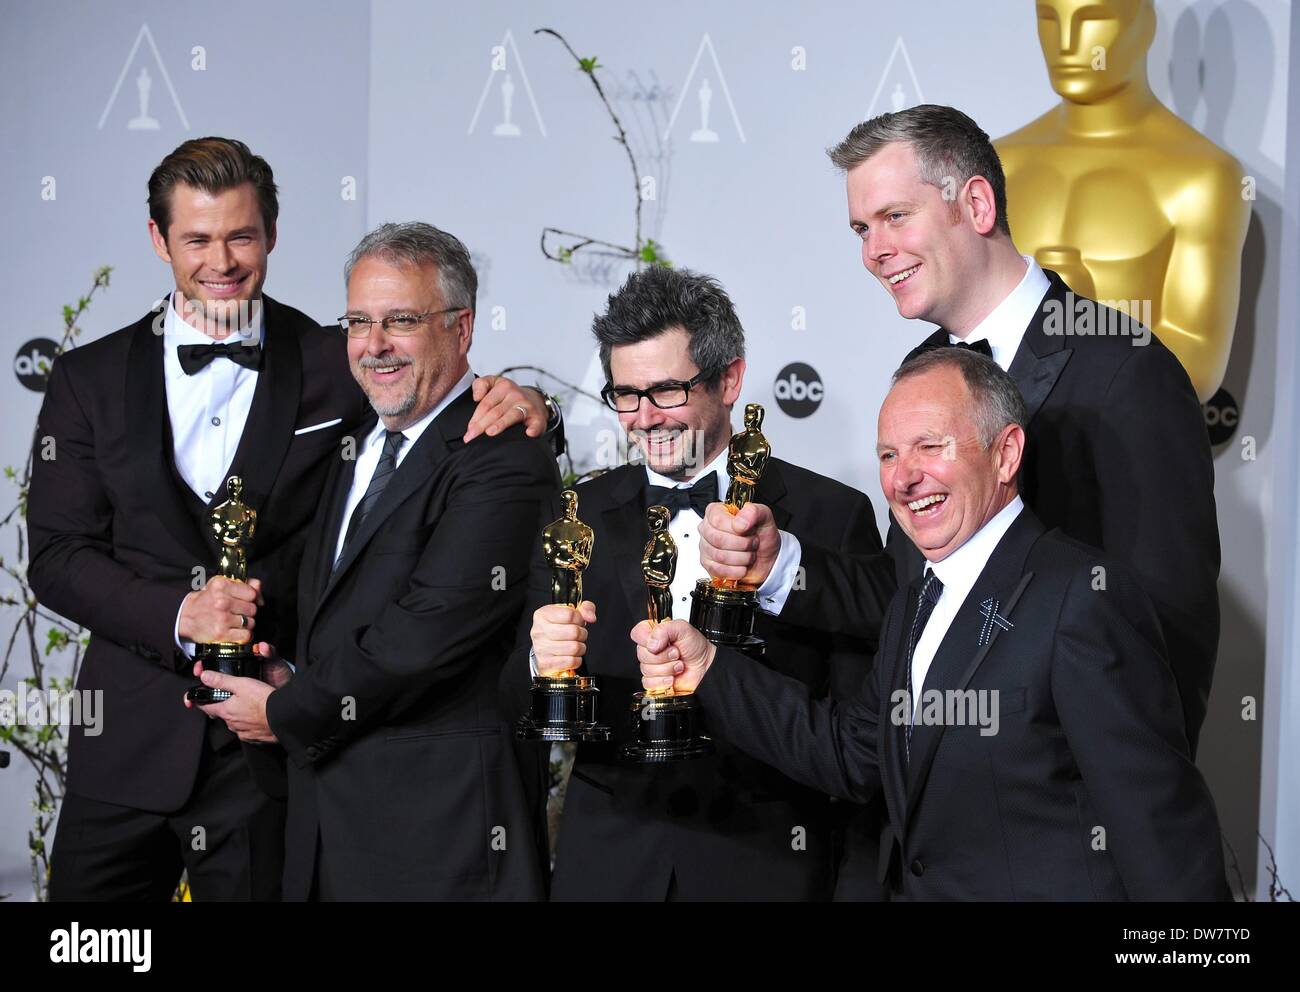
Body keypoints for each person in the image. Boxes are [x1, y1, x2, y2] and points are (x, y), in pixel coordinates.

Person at [28, 137, 554, 902]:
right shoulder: (87, 379)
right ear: (158, 241)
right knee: (89, 952)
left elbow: (437, 408)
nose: (222, 261)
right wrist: (180, 612)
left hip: (276, 760)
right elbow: (57, 557)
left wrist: (535, 412)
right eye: (197, 239)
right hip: (130, 742)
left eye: (241, 235)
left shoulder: (336, 360)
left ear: (271, 234)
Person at [702, 105, 1219, 756]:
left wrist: (1112, 833)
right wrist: (781, 567)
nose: (873, 252)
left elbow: (1172, 632)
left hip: (1059, 832)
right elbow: (908, 592)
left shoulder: (1124, 371)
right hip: (933, 827)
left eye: (895, 217)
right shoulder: (923, 373)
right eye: (861, 228)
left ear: (976, 204)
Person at [637, 348, 1228, 900]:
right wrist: (708, 669)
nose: (903, 478)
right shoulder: (916, 598)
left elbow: (1162, 833)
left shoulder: (1083, 598)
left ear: (1006, 454)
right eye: (889, 455)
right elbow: (852, 753)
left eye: (930, 447)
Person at [194, 222, 559, 900]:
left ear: (462, 327)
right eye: (358, 321)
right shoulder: (355, 442)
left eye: (401, 321)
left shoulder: (505, 459)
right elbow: (343, 609)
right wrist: (287, 671)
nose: (373, 345)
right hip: (327, 823)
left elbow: (425, 635)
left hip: (440, 838)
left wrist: (287, 709)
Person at [504, 267, 886, 900]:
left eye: (666, 391)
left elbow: (858, 743)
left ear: (729, 379)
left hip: (768, 869)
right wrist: (535, 665)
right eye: (625, 394)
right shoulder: (578, 515)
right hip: (609, 869)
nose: (643, 419)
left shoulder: (831, 516)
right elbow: (517, 704)